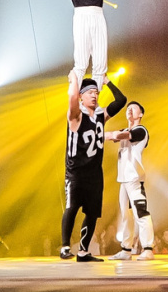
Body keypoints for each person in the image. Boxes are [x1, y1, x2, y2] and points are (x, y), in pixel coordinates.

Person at [60, 72, 127, 262]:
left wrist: (107, 81)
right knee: (72, 207)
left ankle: (83, 251)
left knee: (92, 213)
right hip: (76, 171)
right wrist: (74, 80)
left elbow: (121, 100)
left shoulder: (100, 116)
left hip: (95, 172)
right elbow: (72, 98)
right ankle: (65, 246)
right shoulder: (76, 115)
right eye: (90, 92)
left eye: (96, 92)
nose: (94, 95)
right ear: (82, 95)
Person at [106, 101, 156, 261]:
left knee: (141, 213)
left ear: (140, 114)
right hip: (124, 180)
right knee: (125, 215)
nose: (129, 111)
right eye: (127, 109)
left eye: (132, 109)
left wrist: (112, 134)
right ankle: (126, 249)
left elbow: (122, 136)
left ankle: (148, 248)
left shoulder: (140, 130)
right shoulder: (125, 130)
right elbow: (110, 136)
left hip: (135, 179)